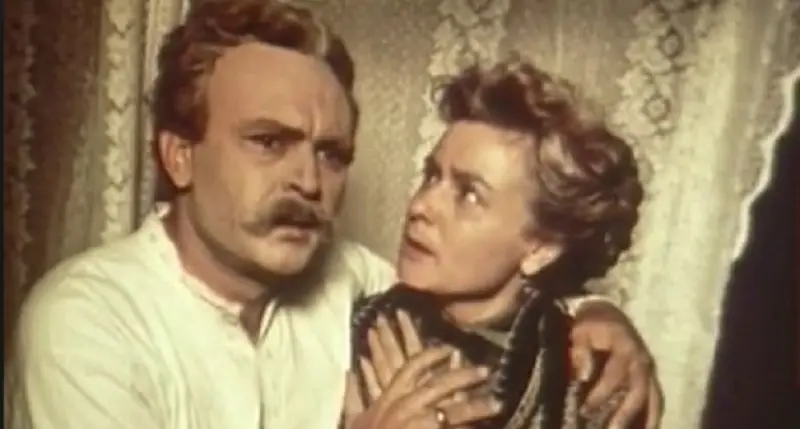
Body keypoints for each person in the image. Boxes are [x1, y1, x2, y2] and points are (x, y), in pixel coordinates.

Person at [5, 1, 661, 429]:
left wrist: (599, 317)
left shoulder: (350, 279)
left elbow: (492, 295)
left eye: (331, 153)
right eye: (269, 141)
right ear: (180, 156)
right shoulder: (87, 322)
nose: (308, 180)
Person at [344, 58, 654, 429]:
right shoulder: (351, 323)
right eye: (431, 176)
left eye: (469, 194)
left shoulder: (589, 384)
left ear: (541, 248)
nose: (421, 206)